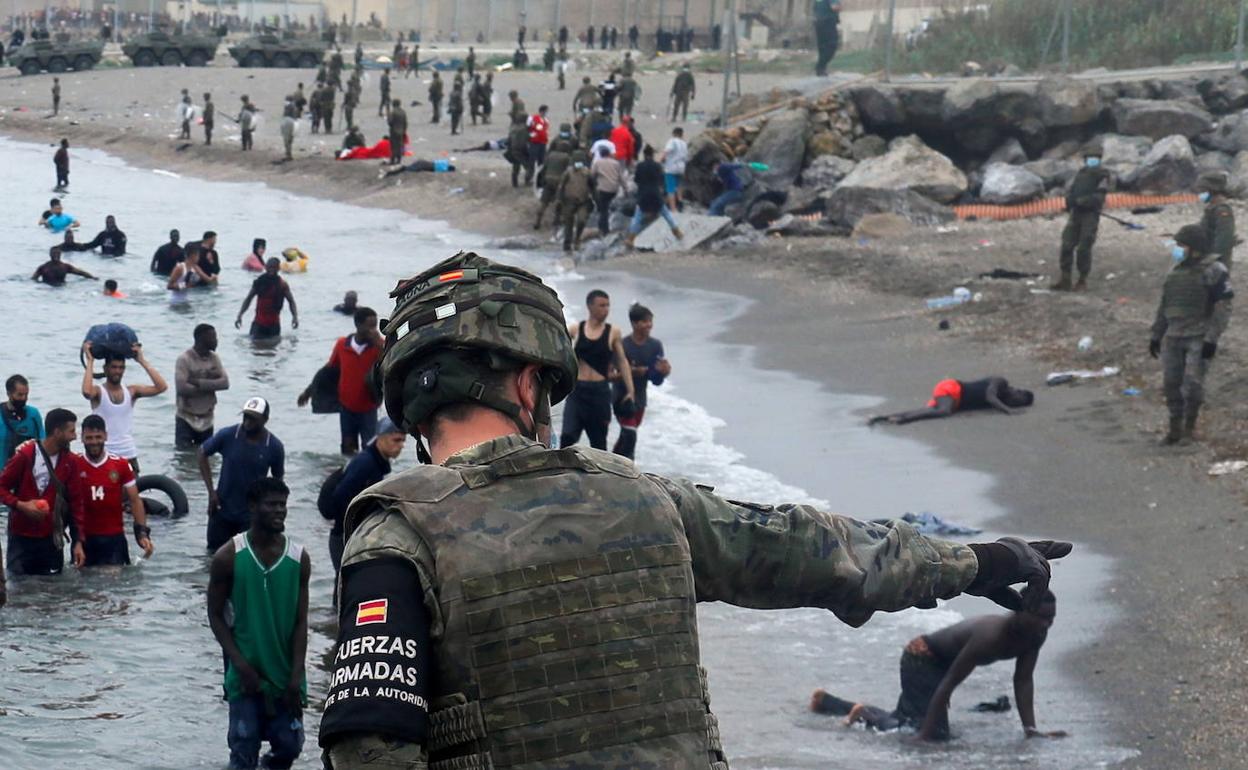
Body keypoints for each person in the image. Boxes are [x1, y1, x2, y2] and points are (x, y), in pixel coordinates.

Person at [317, 252, 1071, 768]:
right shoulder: (650, 499)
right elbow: (821, 551)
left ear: (412, 401)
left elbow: (368, 748)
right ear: (526, 385)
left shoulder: (395, 537)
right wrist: (977, 561)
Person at [810, 590, 1067, 741]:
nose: (1048, 624)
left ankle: (831, 704)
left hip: (941, 665)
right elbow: (949, 683)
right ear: (1021, 610)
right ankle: (864, 715)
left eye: (1052, 618)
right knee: (928, 732)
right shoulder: (991, 636)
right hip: (921, 657)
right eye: (1042, 617)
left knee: (910, 720)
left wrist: (1031, 729)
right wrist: (925, 736)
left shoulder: (1035, 635)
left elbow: (1023, 681)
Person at [207, 477, 309, 770]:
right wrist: (240, 664)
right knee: (243, 749)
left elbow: (301, 622)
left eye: (283, 505)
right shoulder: (228, 557)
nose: (279, 511)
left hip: (285, 675)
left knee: (289, 747)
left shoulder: (298, 558)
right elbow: (215, 615)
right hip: (245, 676)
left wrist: (296, 676)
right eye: (271, 505)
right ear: (253, 506)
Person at [1149, 225, 1233, 445]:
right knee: (1171, 383)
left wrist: (1212, 339)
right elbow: (1165, 305)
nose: (1177, 249)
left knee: (1193, 384)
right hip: (1174, 335)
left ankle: (1189, 428)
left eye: (1181, 245)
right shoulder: (1175, 272)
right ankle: (1174, 429)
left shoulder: (1215, 270)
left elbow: (1223, 307)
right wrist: (1156, 334)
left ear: (1194, 248)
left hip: (1199, 335)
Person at [0, 408, 84, 576]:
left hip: (51, 539)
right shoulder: (25, 455)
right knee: (19, 586)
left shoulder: (71, 462)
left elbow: (77, 504)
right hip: (21, 538)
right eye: (71, 431)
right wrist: (21, 505)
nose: (75, 437)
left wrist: (78, 542)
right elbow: (1, 487)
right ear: (57, 432)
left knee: (52, 588)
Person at [199, 398, 285, 551]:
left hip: (251, 515)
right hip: (221, 509)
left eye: (253, 418)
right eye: (246, 416)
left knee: (246, 555)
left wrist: (272, 513)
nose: (247, 422)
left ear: (265, 420)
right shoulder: (228, 435)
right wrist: (211, 492)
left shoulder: (274, 446)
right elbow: (202, 453)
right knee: (213, 554)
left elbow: (278, 482)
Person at [323, 417, 405, 574]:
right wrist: (352, 529)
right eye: (396, 440)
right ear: (380, 438)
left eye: (403, 441)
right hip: (343, 537)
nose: (401, 445)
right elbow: (341, 495)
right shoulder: (366, 463)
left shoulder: (376, 461)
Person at [298, 307, 383, 454]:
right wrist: (308, 392)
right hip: (346, 409)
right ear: (357, 325)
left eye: (375, 326)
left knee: (371, 450)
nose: (373, 330)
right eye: (369, 326)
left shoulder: (379, 346)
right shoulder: (342, 345)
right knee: (347, 450)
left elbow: (390, 363)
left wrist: (380, 344)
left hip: (369, 408)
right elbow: (328, 371)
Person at [560, 290, 636, 449]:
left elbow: (622, 361)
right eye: (602, 305)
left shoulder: (613, 332)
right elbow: (558, 349)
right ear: (590, 306)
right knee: (567, 437)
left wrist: (631, 390)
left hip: (599, 393)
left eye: (608, 305)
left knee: (599, 443)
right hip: (577, 392)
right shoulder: (575, 329)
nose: (606, 309)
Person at [77, 415, 153, 566]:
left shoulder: (121, 465)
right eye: (89, 438)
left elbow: (135, 500)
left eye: (98, 437)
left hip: (113, 539)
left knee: (114, 579)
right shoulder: (74, 464)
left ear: (106, 436)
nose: (94, 442)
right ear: (82, 438)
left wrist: (142, 533)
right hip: (85, 539)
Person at [81, 343, 168, 473]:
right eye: (114, 367)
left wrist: (142, 361)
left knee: (134, 486)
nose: (118, 371)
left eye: (121, 368)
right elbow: (87, 392)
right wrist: (90, 361)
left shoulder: (132, 391)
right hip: (106, 454)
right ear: (105, 369)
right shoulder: (98, 392)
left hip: (128, 453)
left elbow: (161, 387)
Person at [610, 303, 671, 459]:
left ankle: (611, 461)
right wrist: (632, 372)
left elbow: (656, 380)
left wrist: (664, 372)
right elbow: (609, 376)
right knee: (630, 436)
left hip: (640, 400)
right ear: (634, 323)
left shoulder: (655, 346)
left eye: (650, 321)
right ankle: (629, 469)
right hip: (621, 398)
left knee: (626, 436)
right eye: (645, 321)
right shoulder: (622, 345)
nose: (649, 325)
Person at [1053, 141, 1110, 291]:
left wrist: (1085, 201)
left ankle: (1082, 280)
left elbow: (1100, 196)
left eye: (1094, 157)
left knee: (1084, 247)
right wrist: (1069, 202)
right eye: (1090, 157)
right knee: (1067, 245)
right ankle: (1065, 278)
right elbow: (1073, 191)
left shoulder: (1102, 175)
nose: (1092, 160)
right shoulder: (1081, 174)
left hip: (1090, 216)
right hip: (1076, 214)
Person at [869, 377, 1034, 426]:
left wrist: (1007, 407)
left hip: (954, 400)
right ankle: (903, 420)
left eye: (1018, 404)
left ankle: (887, 417)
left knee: (930, 410)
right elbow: (989, 396)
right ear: (1017, 390)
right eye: (1019, 399)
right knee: (943, 411)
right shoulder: (1000, 382)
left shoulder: (999, 400)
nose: (1016, 402)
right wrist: (1008, 411)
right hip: (952, 388)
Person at [176, 324, 230, 449]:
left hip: (207, 418)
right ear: (201, 339)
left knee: (205, 453)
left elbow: (225, 383)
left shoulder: (214, 358)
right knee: (184, 455)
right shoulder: (184, 359)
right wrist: (211, 385)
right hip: (186, 417)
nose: (216, 341)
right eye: (213, 337)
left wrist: (198, 382)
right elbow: (181, 388)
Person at [627, 145, 684, 246]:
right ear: (652, 154)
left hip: (643, 194)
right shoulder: (657, 166)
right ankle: (677, 232)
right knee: (666, 214)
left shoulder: (640, 166)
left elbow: (636, 180)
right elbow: (662, 180)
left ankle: (631, 239)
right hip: (655, 193)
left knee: (637, 217)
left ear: (644, 155)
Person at [235, 258, 299, 340]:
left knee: (273, 346)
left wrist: (295, 317)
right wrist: (240, 315)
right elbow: (249, 299)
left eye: (274, 268)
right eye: (269, 267)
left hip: (274, 325)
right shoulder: (259, 282)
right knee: (254, 346)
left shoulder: (282, 285)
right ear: (266, 267)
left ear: (278, 269)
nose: (271, 270)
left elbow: (291, 301)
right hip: (258, 324)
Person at [534, 124, 574, 230]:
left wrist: (542, 181)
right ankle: (556, 220)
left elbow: (544, 168)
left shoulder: (550, 155)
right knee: (559, 200)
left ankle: (537, 220)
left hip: (548, 180)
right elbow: (569, 171)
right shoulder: (567, 157)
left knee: (544, 202)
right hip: (559, 182)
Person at [0, 375, 44, 464]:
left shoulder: (33, 414)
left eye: (26, 394)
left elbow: (43, 442)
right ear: (9, 394)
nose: (24, 398)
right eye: (20, 395)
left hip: (27, 469)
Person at [1197, 171, 1235, 270]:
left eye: (1202, 190)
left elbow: (1224, 238)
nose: (1200, 194)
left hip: (1217, 264)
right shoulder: (1211, 209)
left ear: (1212, 191)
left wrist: (1214, 259)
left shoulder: (1222, 210)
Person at [556, 158, 593, 252]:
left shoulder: (587, 173)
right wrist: (559, 199)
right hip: (569, 201)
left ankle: (577, 239)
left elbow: (593, 186)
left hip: (583, 202)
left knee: (581, 220)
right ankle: (567, 244)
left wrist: (596, 200)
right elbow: (561, 186)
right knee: (568, 223)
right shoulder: (568, 172)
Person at [590, 145, 624, 234]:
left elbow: (592, 175)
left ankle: (604, 229)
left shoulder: (597, 163)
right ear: (609, 154)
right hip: (614, 189)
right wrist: (626, 189)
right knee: (606, 206)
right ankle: (603, 225)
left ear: (601, 154)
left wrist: (592, 186)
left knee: (603, 209)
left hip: (603, 189)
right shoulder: (616, 163)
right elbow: (621, 177)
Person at [813, 0, 843, 76]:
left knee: (822, 47)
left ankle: (821, 70)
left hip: (819, 22)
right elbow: (834, 7)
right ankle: (820, 66)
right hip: (828, 22)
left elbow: (815, 8)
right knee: (832, 46)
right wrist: (840, 6)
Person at [662, 126, 689, 211]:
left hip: (671, 167)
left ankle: (673, 208)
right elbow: (686, 157)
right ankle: (680, 203)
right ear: (682, 134)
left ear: (674, 134)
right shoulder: (684, 144)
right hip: (681, 167)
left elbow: (667, 150)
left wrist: (662, 158)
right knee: (679, 187)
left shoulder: (672, 141)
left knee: (670, 189)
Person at [506, 116, 531, 188]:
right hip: (522, 150)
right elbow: (528, 139)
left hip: (514, 149)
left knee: (516, 166)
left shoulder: (512, 128)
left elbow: (508, 140)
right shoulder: (525, 129)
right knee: (528, 166)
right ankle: (527, 181)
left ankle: (514, 183)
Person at [527, 104, 549, 170]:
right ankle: (530, 172)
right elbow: (527, 127)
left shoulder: (546, 120)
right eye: (546, 111)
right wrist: (530, 136)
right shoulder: (532, 118)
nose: (546, 113)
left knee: (542, 159)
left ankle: (540, 173)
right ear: (542, 111)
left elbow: (546, 130)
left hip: (543, 143)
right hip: (534, 142)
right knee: (532, 159)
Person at [387, 98, 407, 165]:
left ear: (393, 104)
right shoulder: (403, 112)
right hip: (401, 131)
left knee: (393, 146)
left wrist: (388, 116)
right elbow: (405, 123)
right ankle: (399, 160)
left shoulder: (393, 112)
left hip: (394, 131)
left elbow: (390, 122)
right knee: (400, 145)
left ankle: (392, 160)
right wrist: (404, 131)